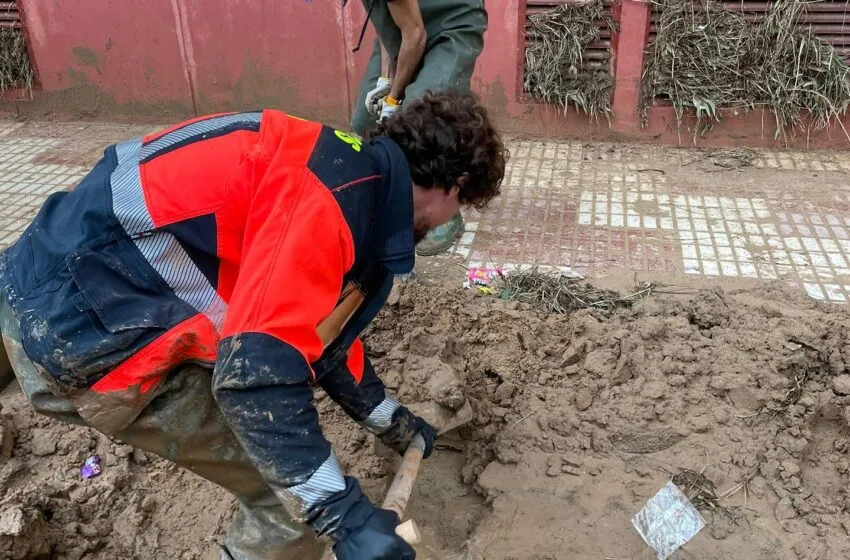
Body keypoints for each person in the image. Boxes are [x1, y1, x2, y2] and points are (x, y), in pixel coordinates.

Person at [0, 92, 506, 560]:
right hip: (79, 329)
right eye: (459, 208)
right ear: (453, 186)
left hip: (35, 276)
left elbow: (312, 329)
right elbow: (256, 379)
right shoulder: (328, 206)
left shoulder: (339, 166)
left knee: (298, 461)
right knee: (293, 512)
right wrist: (343, 519)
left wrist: (386, 419)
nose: (446, 223)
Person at [347, 0, 488, 257]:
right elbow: (388, 28)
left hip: (450, 22)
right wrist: (385, 80)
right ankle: (391, 197)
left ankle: (446, 209)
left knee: (422, 119)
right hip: (406, 29)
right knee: (364, 120)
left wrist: (394, 99)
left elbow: (415, 35)